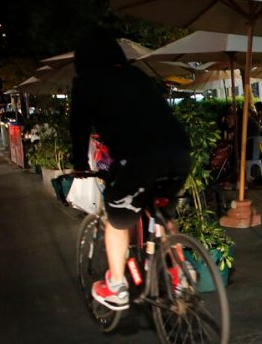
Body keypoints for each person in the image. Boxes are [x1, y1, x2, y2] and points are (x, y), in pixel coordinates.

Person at [70, 29, 191, 311]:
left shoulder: (86, 83)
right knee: (163, 214)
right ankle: (180, 274)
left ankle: (116, 287)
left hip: (139, 160)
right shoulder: (138, 76)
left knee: (117, 219)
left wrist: (79, 164)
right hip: (179, 155)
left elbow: (79, 128)